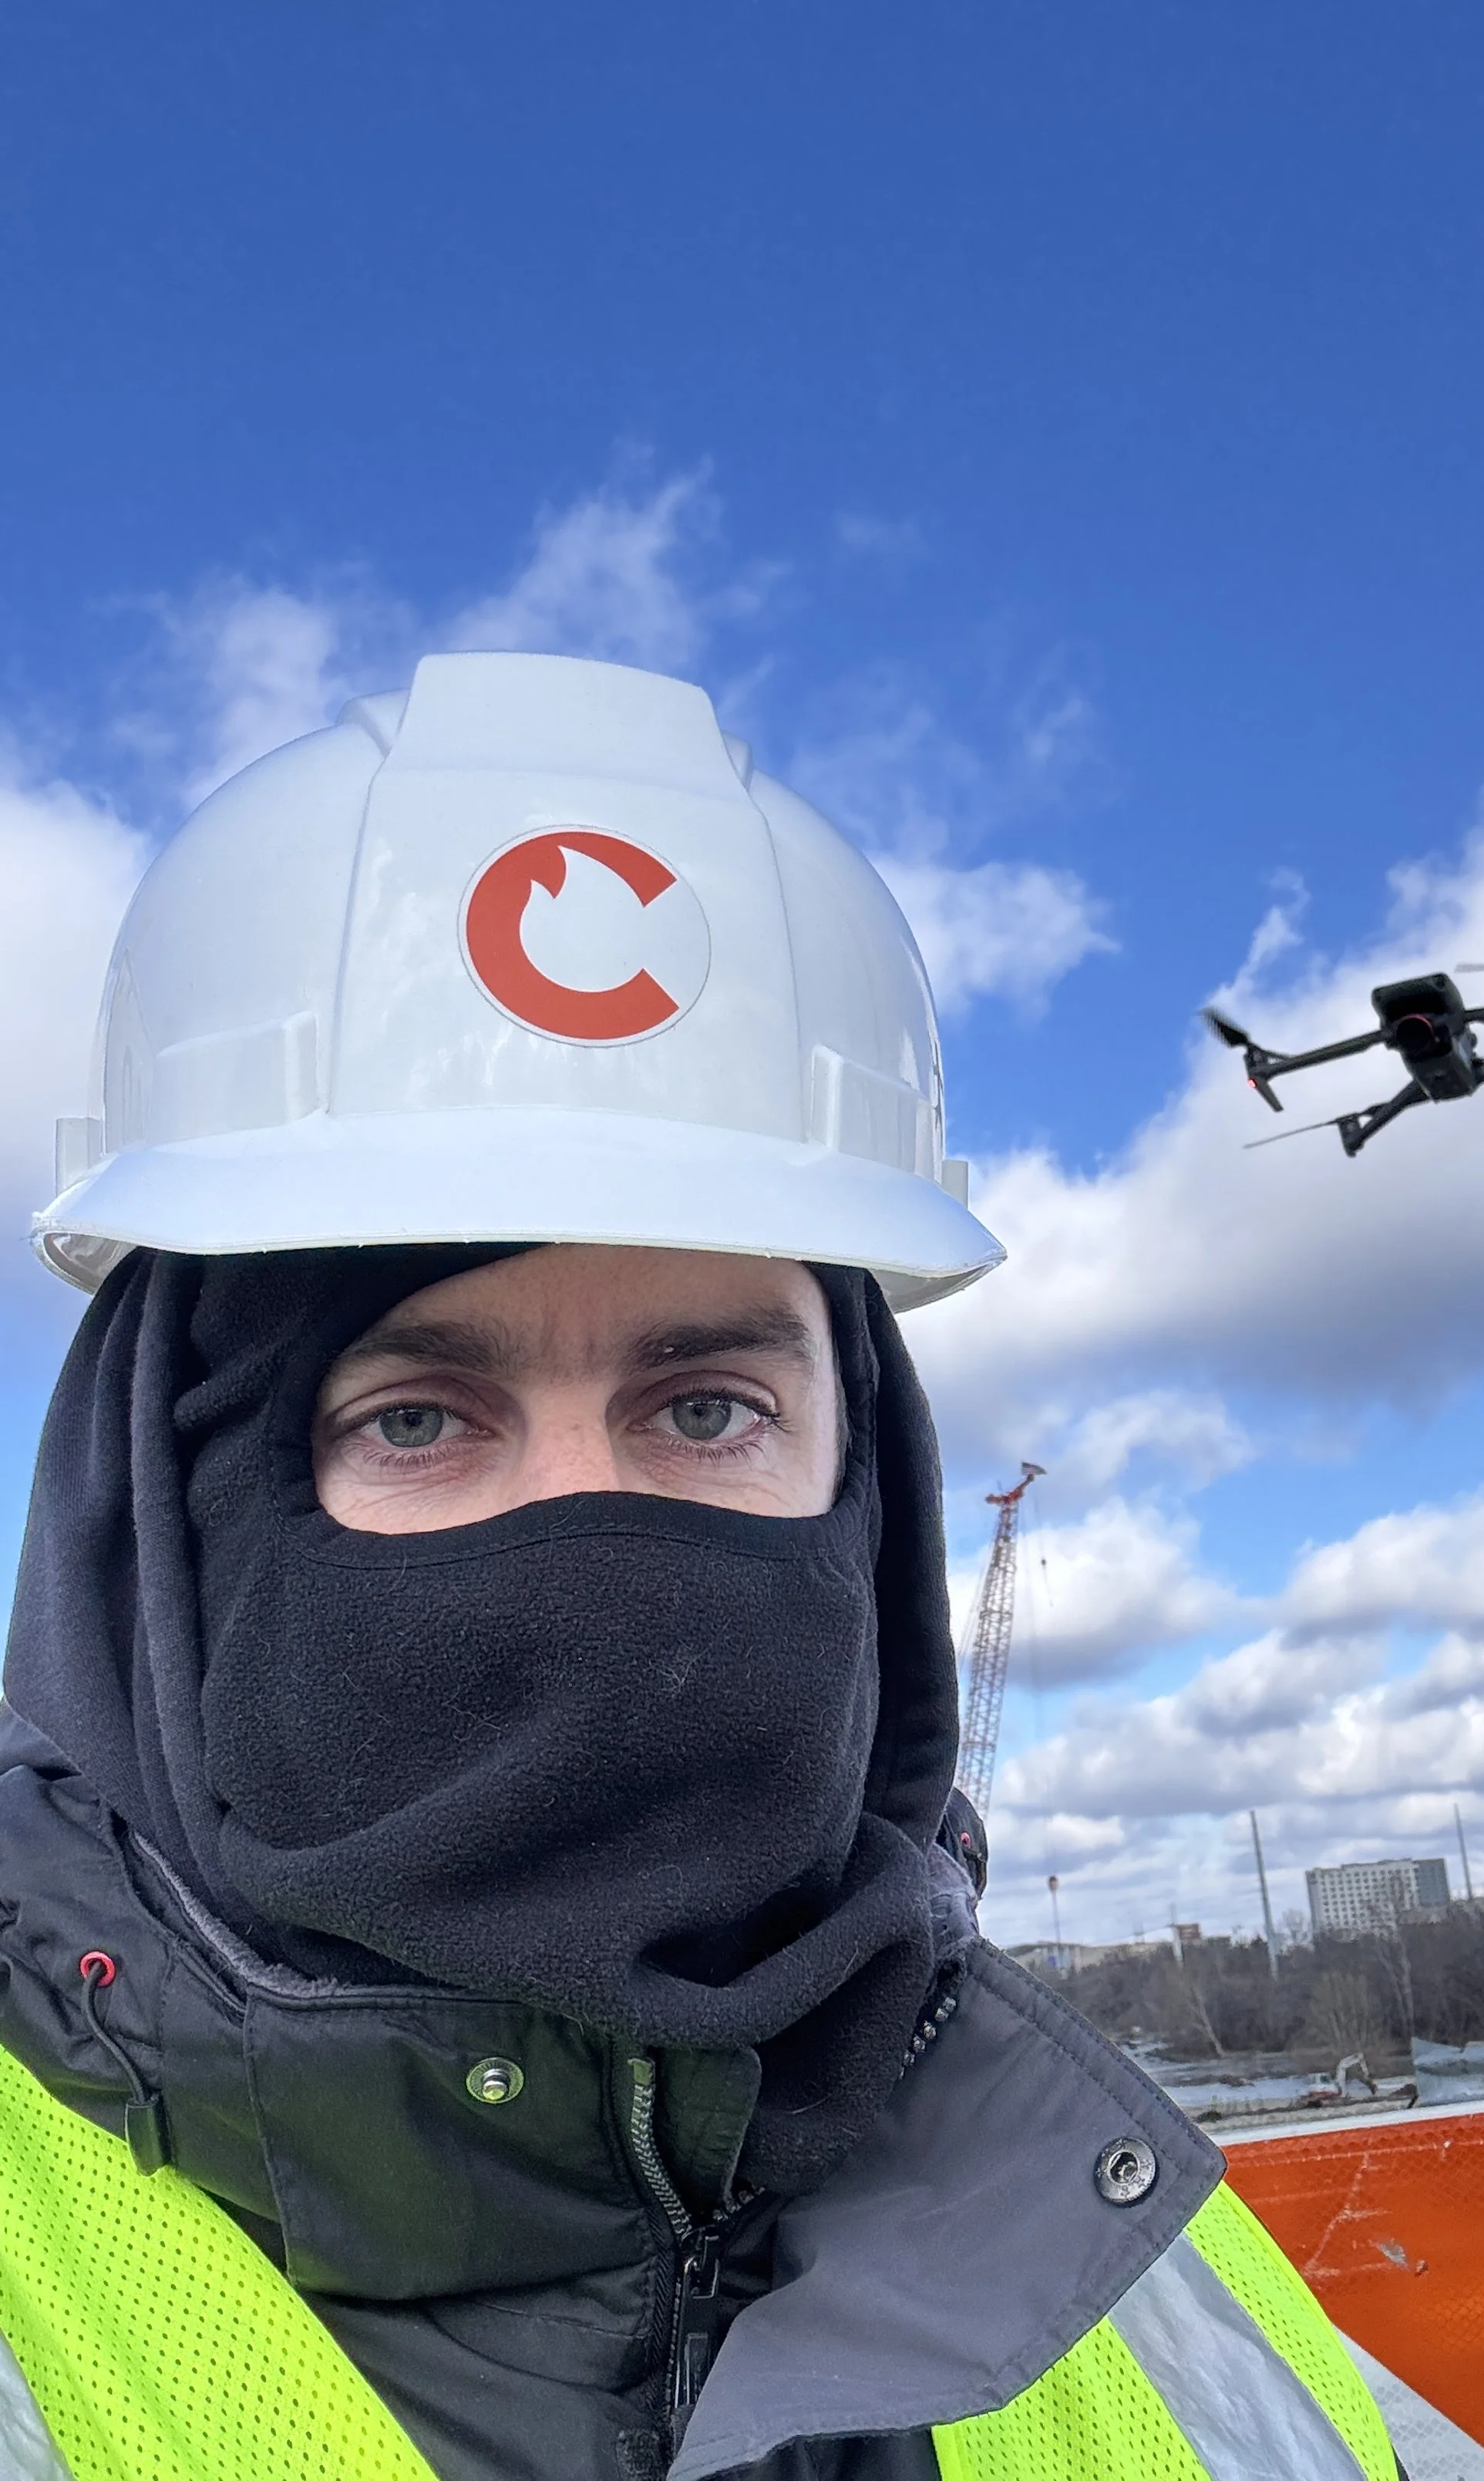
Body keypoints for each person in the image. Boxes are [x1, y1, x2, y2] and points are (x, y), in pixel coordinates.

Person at [0, 654, 1398, 2481]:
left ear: (866, 1490)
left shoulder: (1135, 2272)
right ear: (171, 1520)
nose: (590, 1550)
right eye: (417, 1420)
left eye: (709, 1406)